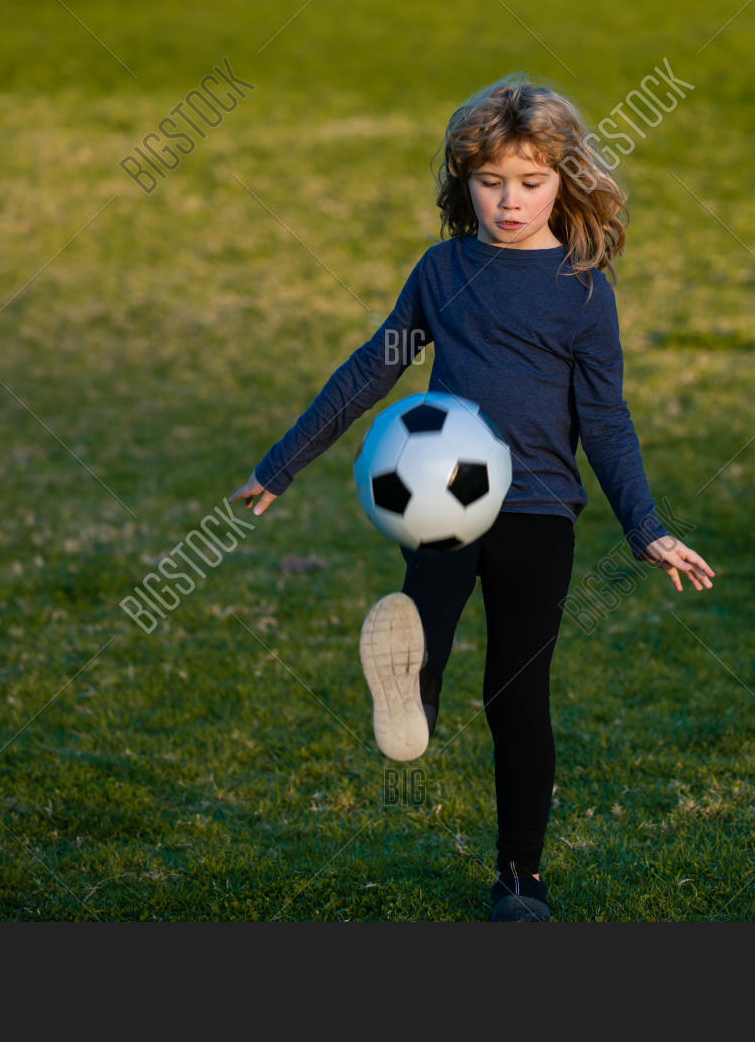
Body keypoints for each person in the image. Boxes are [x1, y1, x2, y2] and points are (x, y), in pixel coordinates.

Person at [229, 73, 715, 921]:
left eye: (530, 182)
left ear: (566, 182)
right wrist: (281, 463)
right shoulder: (442, 268)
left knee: (517, 697)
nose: (510, 201)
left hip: (540, 513)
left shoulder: (584, 288)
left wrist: (645, 527)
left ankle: (520, 878)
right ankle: (408, 696)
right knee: (429, 627)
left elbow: (606, 422)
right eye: (490, 182)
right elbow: (371, 370)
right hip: (437, 502)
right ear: (465, 182)